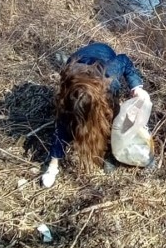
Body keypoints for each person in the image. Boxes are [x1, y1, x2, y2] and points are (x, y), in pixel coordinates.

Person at [42, 41, 147, 188]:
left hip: (103, 53)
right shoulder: (69, 93)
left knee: (113, 113)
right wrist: (52, 167)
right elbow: (61, 129)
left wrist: (136, 86)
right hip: (77, 61)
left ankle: (111, 153)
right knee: (68, 121)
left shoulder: (110, 77)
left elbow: (123, 59)